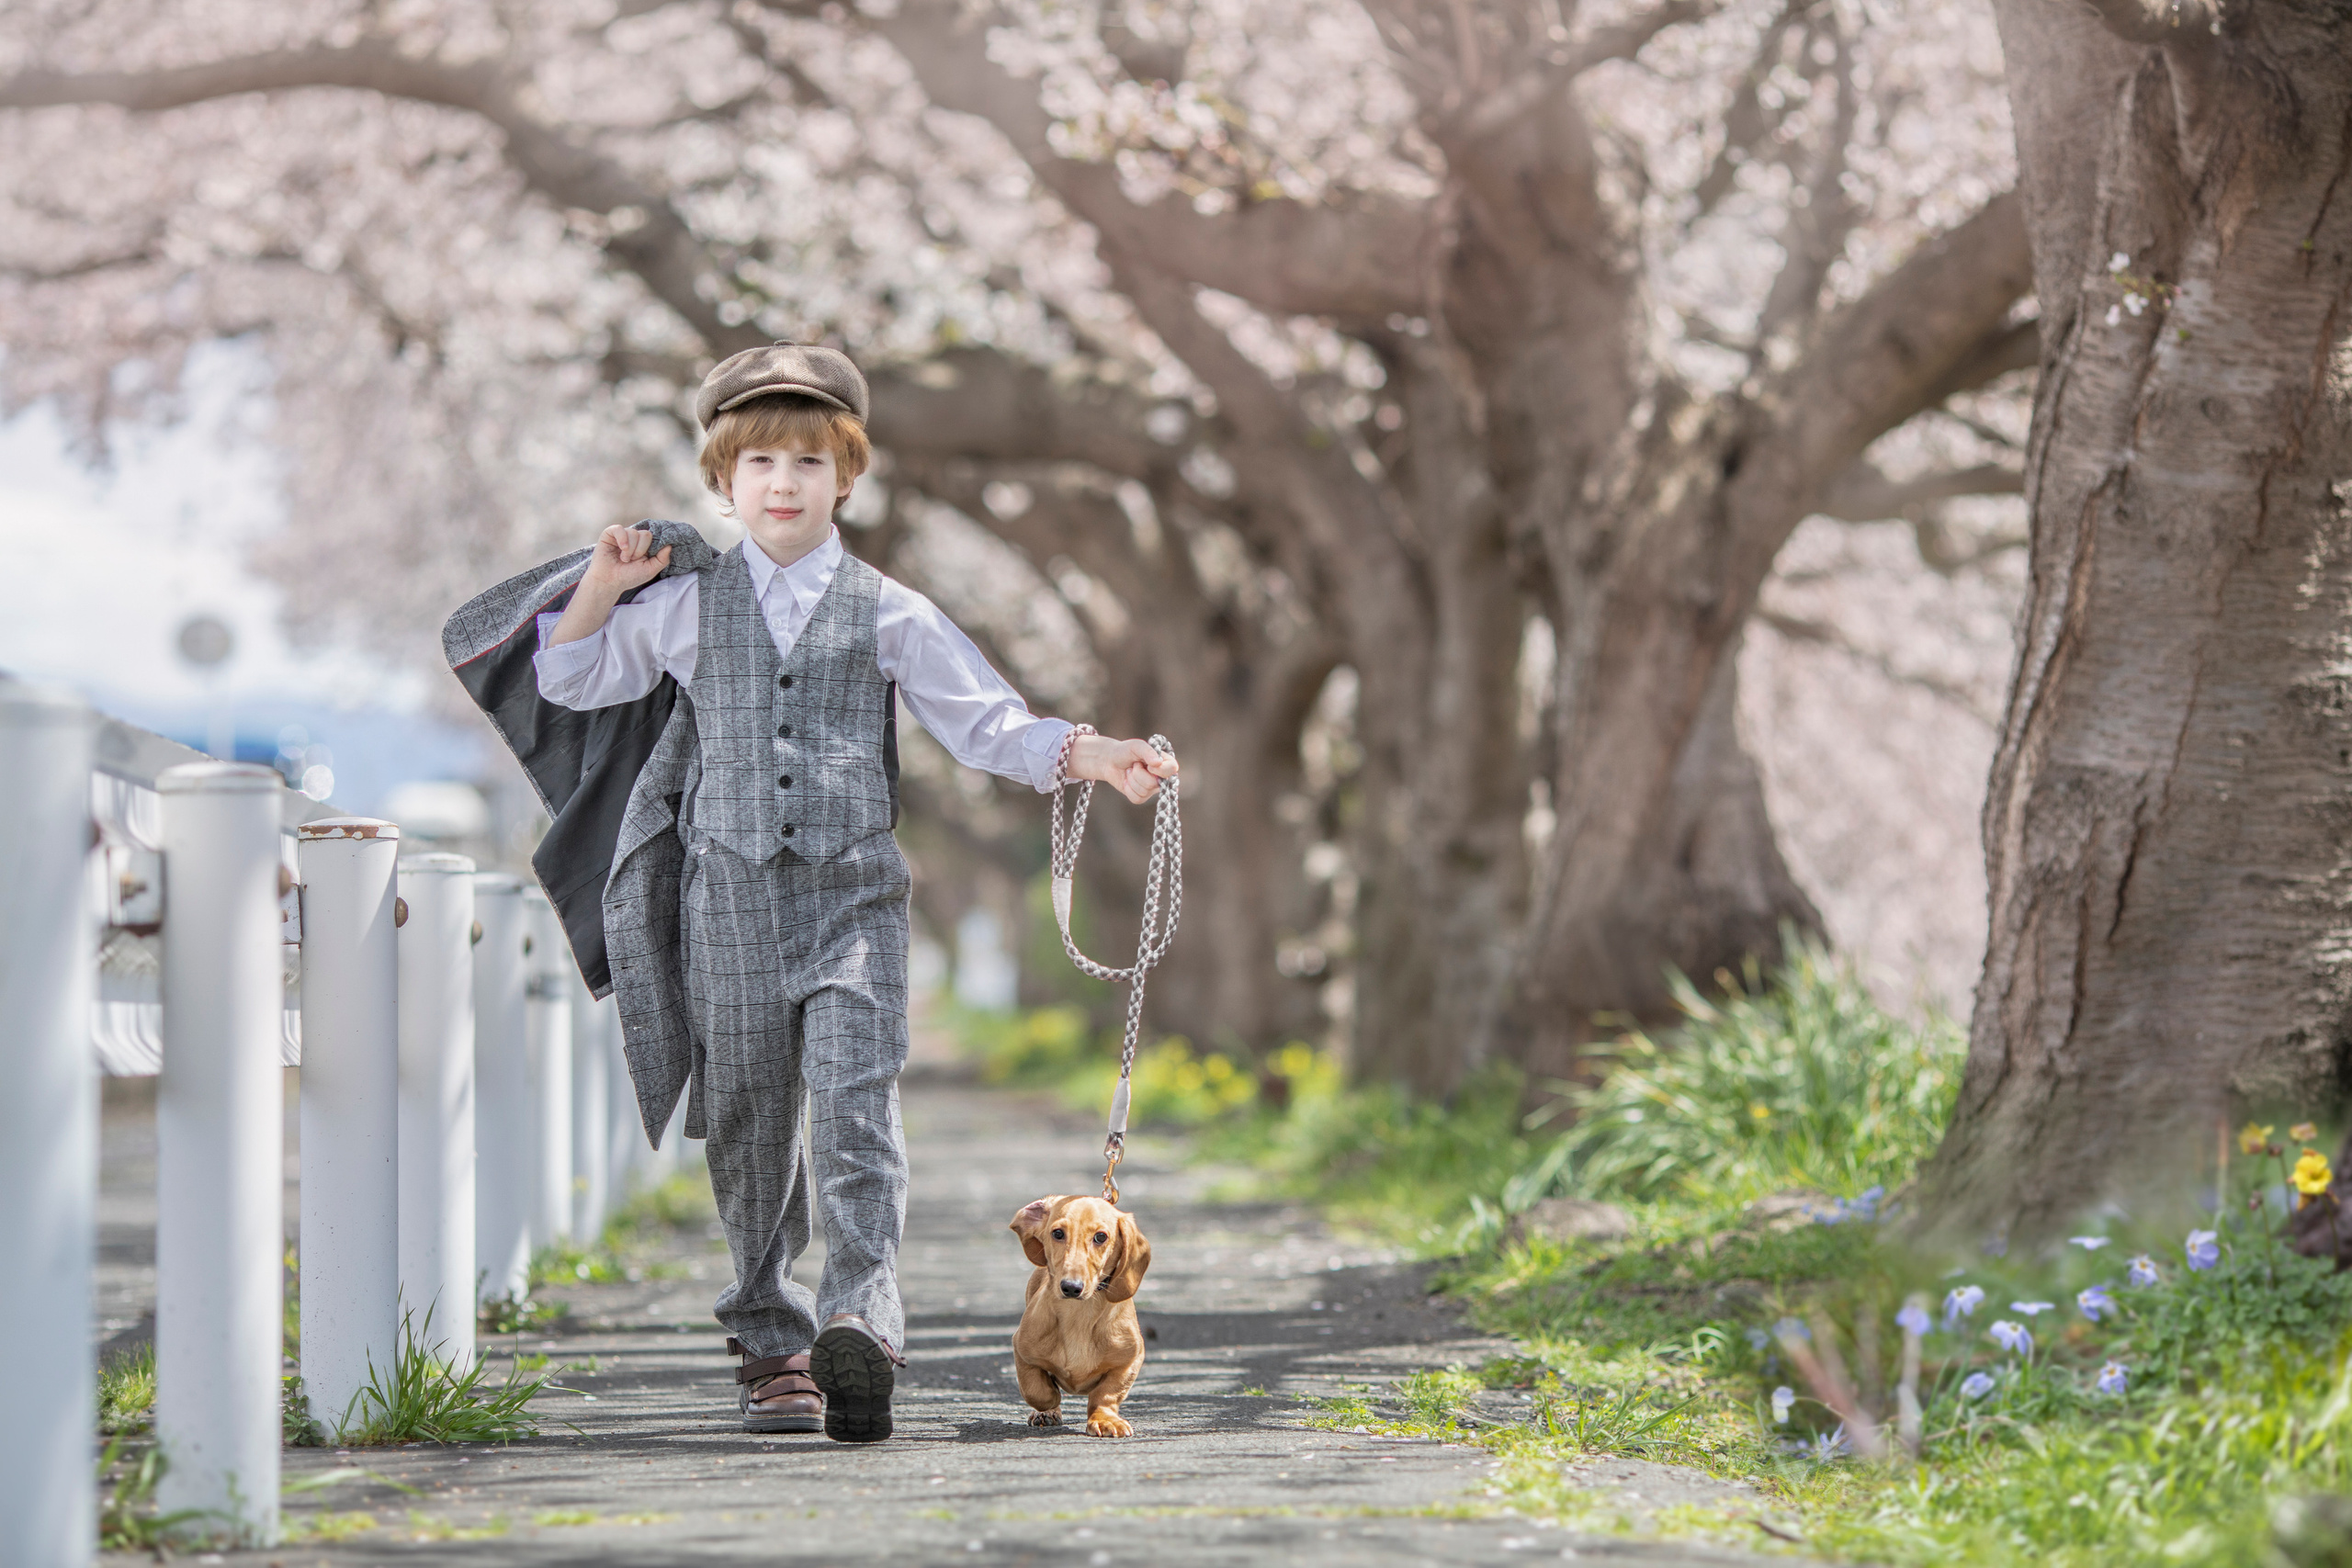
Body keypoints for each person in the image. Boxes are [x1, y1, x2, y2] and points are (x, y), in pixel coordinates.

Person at [442, 343, 1174, 1442]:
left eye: (807, 461)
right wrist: (603, 581)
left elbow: (988, 725)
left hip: (854, 908)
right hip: (723, 907)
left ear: (847, 476)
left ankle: (860, 1324)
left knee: (855, 1112)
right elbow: (571, 677)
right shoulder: (685, 606)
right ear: (721, 482)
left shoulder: (890, 611)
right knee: (744, 1123)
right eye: (757, 464)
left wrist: (1098, 755)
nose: (781, 482)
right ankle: (770, 1338)